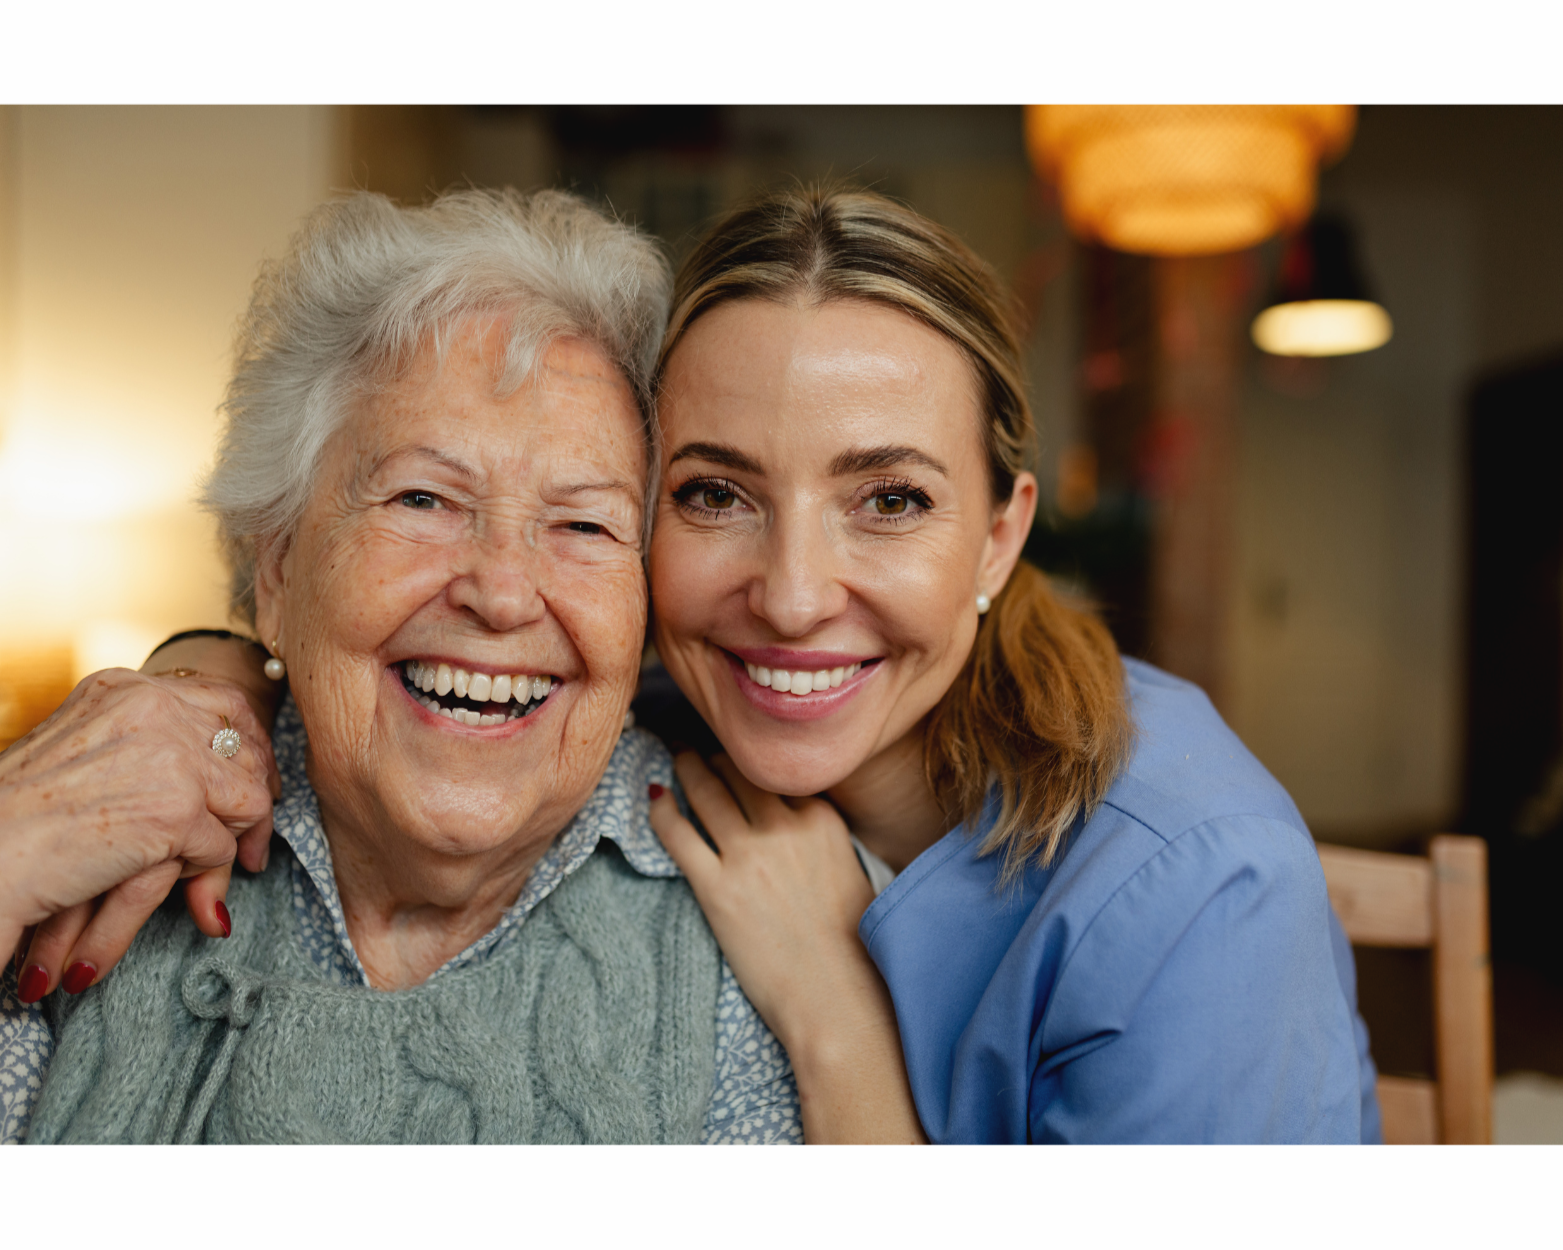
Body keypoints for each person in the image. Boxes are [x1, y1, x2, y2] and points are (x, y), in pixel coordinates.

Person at [7, 186, 1379, 1144]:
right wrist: (206, 679)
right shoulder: (629, 702)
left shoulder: (1192, 883)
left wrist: (834, 1014)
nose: (785, 596)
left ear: (999, 534)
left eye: (890, 499)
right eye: (713, 494)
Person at [0, 187, 923, 1144]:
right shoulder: (99, 820)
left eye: (583, 523)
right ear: (276, 569)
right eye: (423, 500)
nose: (504, 591)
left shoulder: (789, 936)